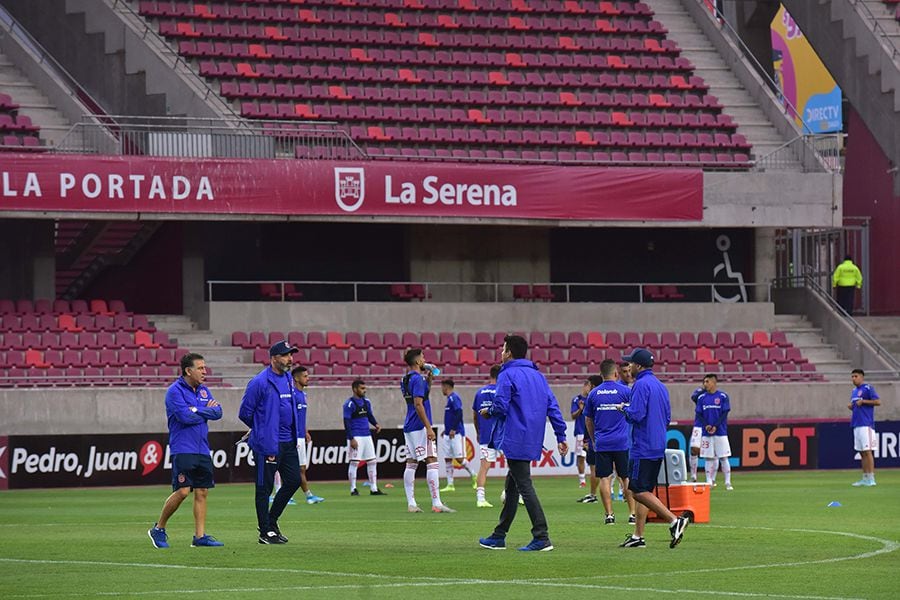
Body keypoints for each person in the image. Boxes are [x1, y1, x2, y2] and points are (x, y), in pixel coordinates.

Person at [478, 334, 568, 552]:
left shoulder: (506, 374)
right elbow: (553, 407)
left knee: (524, 486)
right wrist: (561, 435)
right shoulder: (538, 376)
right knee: (513, 486)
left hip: (514, 436)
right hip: (532, 437)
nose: (500, 353)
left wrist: (487, 411)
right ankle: (499, 535)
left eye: (502, 349)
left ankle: (541, 535)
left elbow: (500, 406)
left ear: (508, 353)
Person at [149, 352, 224, 548]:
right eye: (200, 368)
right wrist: (203, 411)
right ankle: (158, 528)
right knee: (183, 491)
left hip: (202, 448)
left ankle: (199, 537)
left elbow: (218, 412)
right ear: (188, 370)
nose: (204, 372)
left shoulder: (204, 391)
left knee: (202, 491)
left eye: (204, 368)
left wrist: (196, 409)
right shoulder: (174, 391)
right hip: (183, 447)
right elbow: (184, 417)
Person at [616, 348, 688, 549]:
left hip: (642, 446)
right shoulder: (660, 386)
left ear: (638, 366)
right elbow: (666, 418)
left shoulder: (640, 385)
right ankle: (638, 536)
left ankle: (674, 521)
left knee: (637, 491)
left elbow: (636, 414)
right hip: (657, 444)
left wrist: (623, 409)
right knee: (645, 490)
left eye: (630, 364)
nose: (628, 367)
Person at [238, 341, 302, 544]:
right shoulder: (259, 382)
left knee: (293, 481)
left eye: (291, 355)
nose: (290, 359)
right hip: (267, 443)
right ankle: (265, 531)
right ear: (273, 358)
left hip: (288, 441)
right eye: (285, 355)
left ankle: (271, 521)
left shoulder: (289, 379)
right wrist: (262, 428)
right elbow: (245, 413)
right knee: (264, 488)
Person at [401, 348, 454, 513]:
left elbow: (421, 397)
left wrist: (429, 379)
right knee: (432, 461)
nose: (425, 360)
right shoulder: (417, 379)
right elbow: (419, 404)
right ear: (417, 361)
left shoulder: (406, 378)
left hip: (409, 425)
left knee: (411, 463)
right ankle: (436, 503)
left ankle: (411, 503)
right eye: (422, 357)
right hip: (420, 425)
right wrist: (429, 427)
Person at [585, 361, 636, 525]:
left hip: (603, 442)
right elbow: (634, 413)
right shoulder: (625, 391)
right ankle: (632, 514)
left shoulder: (593, 394)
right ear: (616, 374)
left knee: (605, 478)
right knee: (625, 478)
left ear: (601, 375)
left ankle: (609, 515)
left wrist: (594, 439)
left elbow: (588, 420)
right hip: (622, 442)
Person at [343, 378, 386, 496]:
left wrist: (376, 424)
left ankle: (374, 488)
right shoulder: (349, 404)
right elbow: (346, 422)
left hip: (367, 435)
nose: (364, 390)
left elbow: (370, 415)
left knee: (372, 461)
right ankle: (353, 489)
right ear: (354, 389)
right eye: (362, 388)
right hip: (356, 436)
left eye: (365, 388)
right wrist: (351, 438)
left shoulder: (367, 402)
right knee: (354, 462)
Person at [292, 366, 324, 504]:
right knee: (287, 468)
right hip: (291, 437)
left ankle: (309, 496)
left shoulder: (303, 395)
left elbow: (300, 417)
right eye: (305, 376)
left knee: (302, 468)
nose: (308, 378)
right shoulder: (291, 395)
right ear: (296, 378)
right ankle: (285, 495)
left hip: (300, 436)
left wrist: (305, 431)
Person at [695, 374, 733, 490]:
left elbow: (725, 413)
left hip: (720, 432)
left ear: (713, 382)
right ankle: (709, 481)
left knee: (723, 457)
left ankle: (727, 482)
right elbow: (699, 414)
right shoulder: (701, 398)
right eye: (704, 382)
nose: (705, 384)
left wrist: (716, 425)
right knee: (709, 458)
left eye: (707, 382)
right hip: (706, 433)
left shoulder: (722, 396)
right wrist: (706, 425)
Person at [440, 378, 476, 492]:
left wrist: (454, 429)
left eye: (442, 387)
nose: (442, 389)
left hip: (456, 433)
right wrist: (446, 429)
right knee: (447, 458)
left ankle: (474, 475)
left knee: (460, 459)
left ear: (446, 386)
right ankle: (450, 484)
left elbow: (459, 413)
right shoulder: (449, 399)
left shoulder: (454, 398)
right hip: (448, 433)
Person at [472, 365, 500, 508]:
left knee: (484, 466)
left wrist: (478, 432)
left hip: (485, 435)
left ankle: (480, 499)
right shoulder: (502, 391)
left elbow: (475, 416)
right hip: (502, 434)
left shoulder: (479, 393)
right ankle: (516, 495)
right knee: (515, 465)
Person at [848, 368, 880, 487]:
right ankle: (865, 477)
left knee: (868, 451)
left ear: (861, 377)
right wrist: (851, 406)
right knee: (861, 452)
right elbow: (856, 405)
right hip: (856, 424)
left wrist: (864, 402)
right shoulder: (854, 391)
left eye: (855, 376)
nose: (853, 379)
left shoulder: (868, 388)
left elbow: (877, 401)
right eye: (852, 377)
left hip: (866, 424)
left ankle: (871, 478)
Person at [576, 378, 601, 504]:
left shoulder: (592, 398)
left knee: (594, 469)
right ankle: (622, 493)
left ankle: (593, 495)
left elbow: (588, 420)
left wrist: (587, 439)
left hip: (595, 439)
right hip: (611, 438)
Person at [570, 382, 589, 489]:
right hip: (581, 432)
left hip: (592, 432)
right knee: (581, 456)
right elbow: (573, 415)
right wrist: (580, 409)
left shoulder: (592, 399)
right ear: (584, 386)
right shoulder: (576, 400)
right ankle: (582, 480)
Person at [689, 382, 706, 482]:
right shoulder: (700, 394)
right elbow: (693, 397)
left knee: (713, 453)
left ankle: (711, 478)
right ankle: (693, 476)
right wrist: (704, 390)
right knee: (693, 450)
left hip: (712, 426)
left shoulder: (718, 396)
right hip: (699, 425)